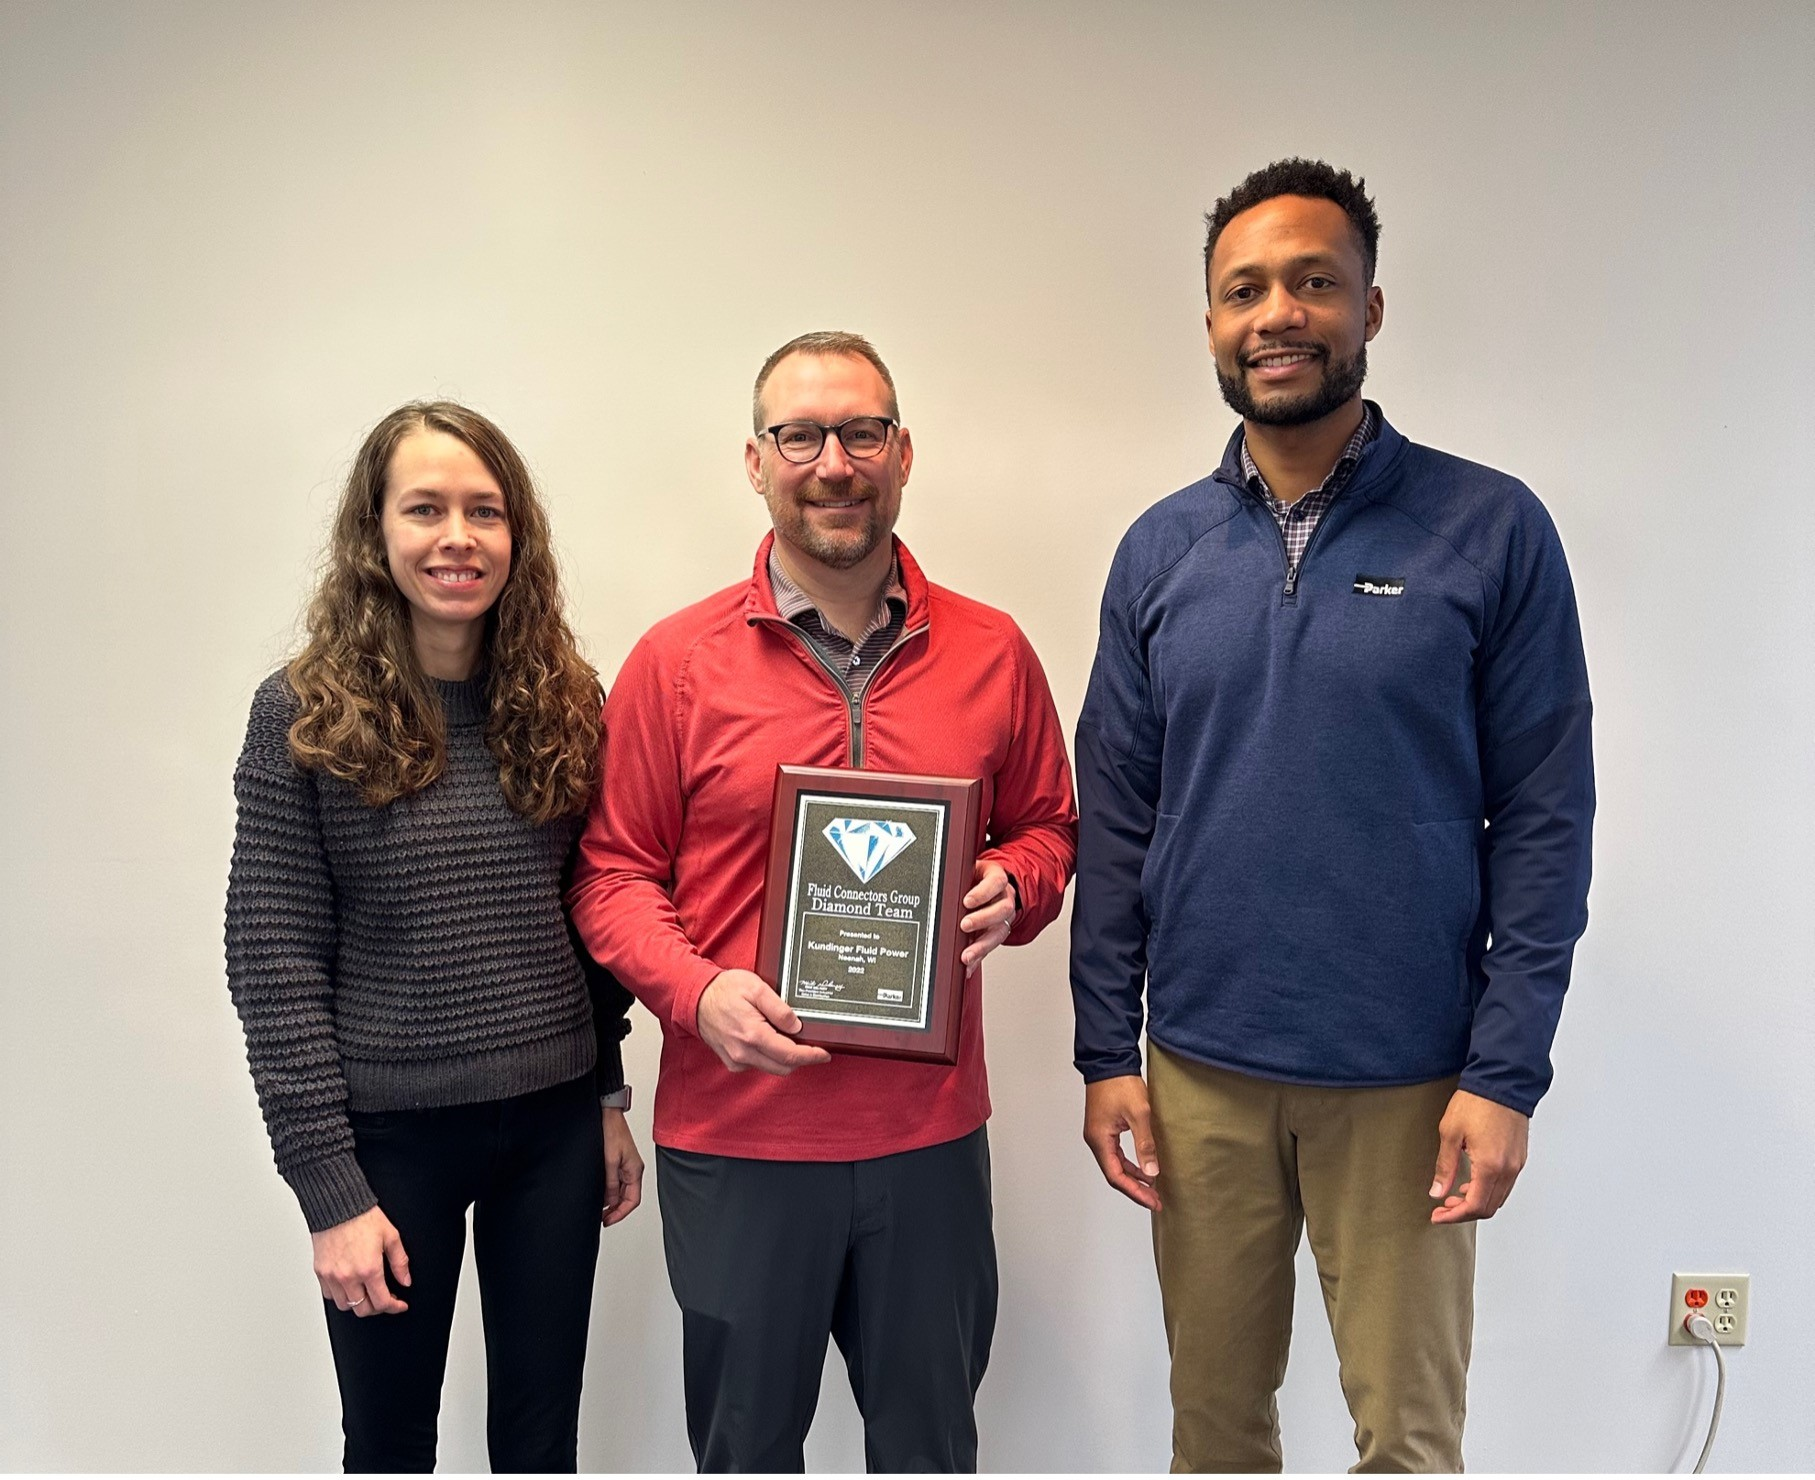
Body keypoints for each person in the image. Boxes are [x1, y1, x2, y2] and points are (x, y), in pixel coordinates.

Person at [1070, 159, 1595, 1471]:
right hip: (1197, 1071)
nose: (1277, 313)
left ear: (1368, 307)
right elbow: (1117, 815)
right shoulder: (1158, 551)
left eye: (1312, 281)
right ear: (1207, 324)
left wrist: (1500, 1072)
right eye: (1243, 289)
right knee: (1214, 1433)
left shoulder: (1489, 528)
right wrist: (1102, 1053)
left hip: (1408, 1083)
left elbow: (1542, 814)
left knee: (1406, 1442)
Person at [569, 332, 1077, 1473]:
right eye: (800, 435)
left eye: (861, 432)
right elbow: (611, 875)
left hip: (928, 1140)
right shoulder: (675, 662)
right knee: (748, 1453)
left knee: (931, 1447)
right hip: (737, 1136)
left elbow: (1051, 825)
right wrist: (699, 995)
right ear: (756, 461)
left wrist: (1019, 882)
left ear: (904, 452)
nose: (833, 462)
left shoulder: (993, 649)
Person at [224, 401, 642, 1473]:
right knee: (392, 1441)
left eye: (484, 511)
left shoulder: (564, 702)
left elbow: (588, 923)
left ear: (518, 536)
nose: (458, 536)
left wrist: (604, 1100)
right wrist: (330, 1190)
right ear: (377, 531)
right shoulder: (300, 716)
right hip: (388, 1146)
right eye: (426, 509)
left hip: (552, 1131)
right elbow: (273, 966)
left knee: (542, 1441)